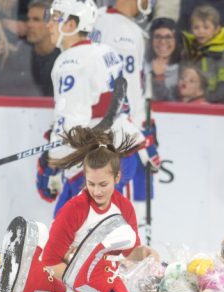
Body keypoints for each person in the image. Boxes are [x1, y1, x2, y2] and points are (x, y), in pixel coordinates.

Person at [35, 0, 145, 216]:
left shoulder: (71, 62)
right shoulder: (105, 51)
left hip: (99, 163)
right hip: (123, 149)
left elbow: (72, 123)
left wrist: (53, 161)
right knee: (108, 234)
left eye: (56, 17)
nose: (48, 24)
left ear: (71, 25)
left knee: (69, 237)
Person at [43, 125, 157, 292]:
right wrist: (88, 287)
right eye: (91, 184)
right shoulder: (73, 210)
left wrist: (145, 254)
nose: (96, 191)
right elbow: (50, 263)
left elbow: (129, 253)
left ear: (117, 178)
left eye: (103, 184)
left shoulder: (125, 208)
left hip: (108, 287)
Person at [92, 0, 162, 212]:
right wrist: (142, 134)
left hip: (101, 128)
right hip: (123, 133)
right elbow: (126, 94)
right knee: (126, 208)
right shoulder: (125, 32)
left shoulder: (99, 18)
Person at [181, 5, 224, 103]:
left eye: (206, 27)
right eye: (196, 27)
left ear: (216, 29)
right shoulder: (187, 53)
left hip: (215, 109)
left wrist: (208, 100)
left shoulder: (223, 56)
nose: (201, 31)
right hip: (188, 106)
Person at [24, 0, 59, 97]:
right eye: (28, 19)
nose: (29, 24)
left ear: (52, 24)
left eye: (36, 20)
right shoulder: (20, 55)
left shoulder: (65, 60)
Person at [146, 17, 181, 101]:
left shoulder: (183, 70)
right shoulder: (141, 66)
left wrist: (159, 77)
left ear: (176, 40)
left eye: (168, 37)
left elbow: (172, 104)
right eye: (157, 36)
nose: (162, 42)